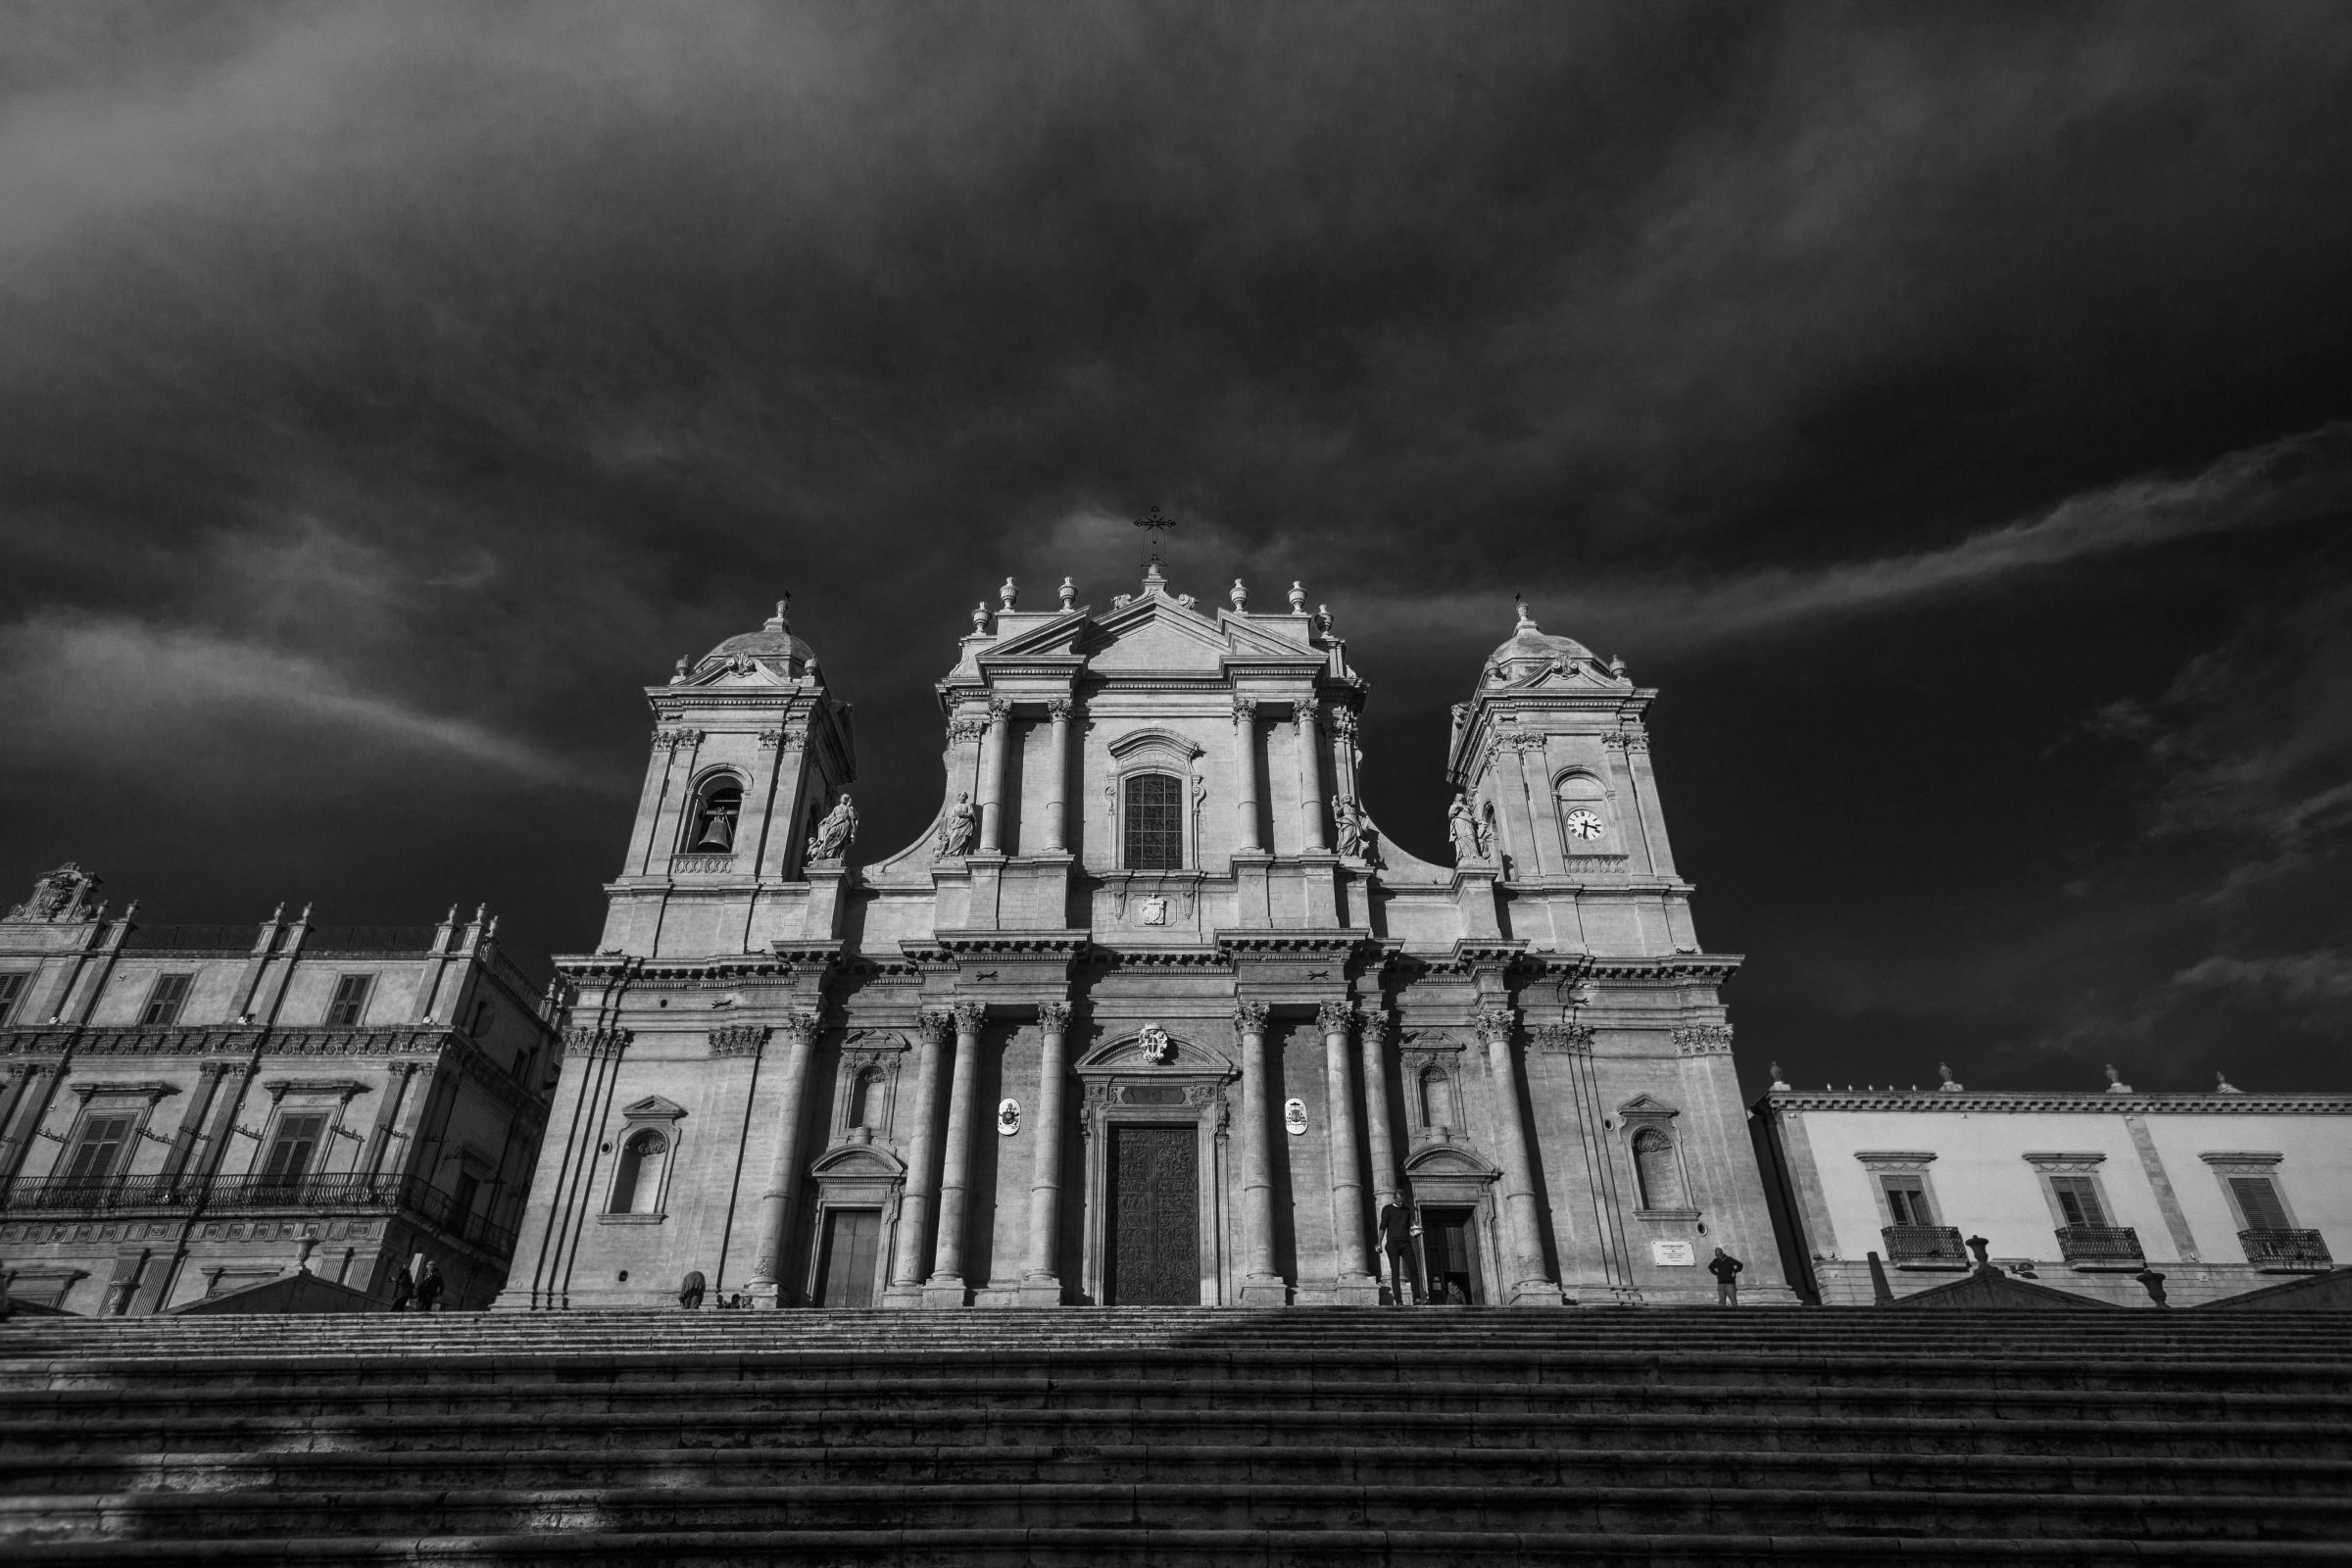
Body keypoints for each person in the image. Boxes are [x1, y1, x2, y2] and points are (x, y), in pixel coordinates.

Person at [1377, 1200, 1420, 1306]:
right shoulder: (1387, 1209)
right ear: (1395, 1199)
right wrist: (1378, 1243)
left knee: (1414, 1269)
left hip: (1405, 1243)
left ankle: (1417, 1298)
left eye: (1402, 1201)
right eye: (1399, 1201)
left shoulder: (1407, 1210)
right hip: (1392, 1245)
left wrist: (1416, 1229)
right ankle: (1399, 1300)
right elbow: (1382, 1227)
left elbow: (1412, 1224)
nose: (1401, 1203)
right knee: (1395, 1273)